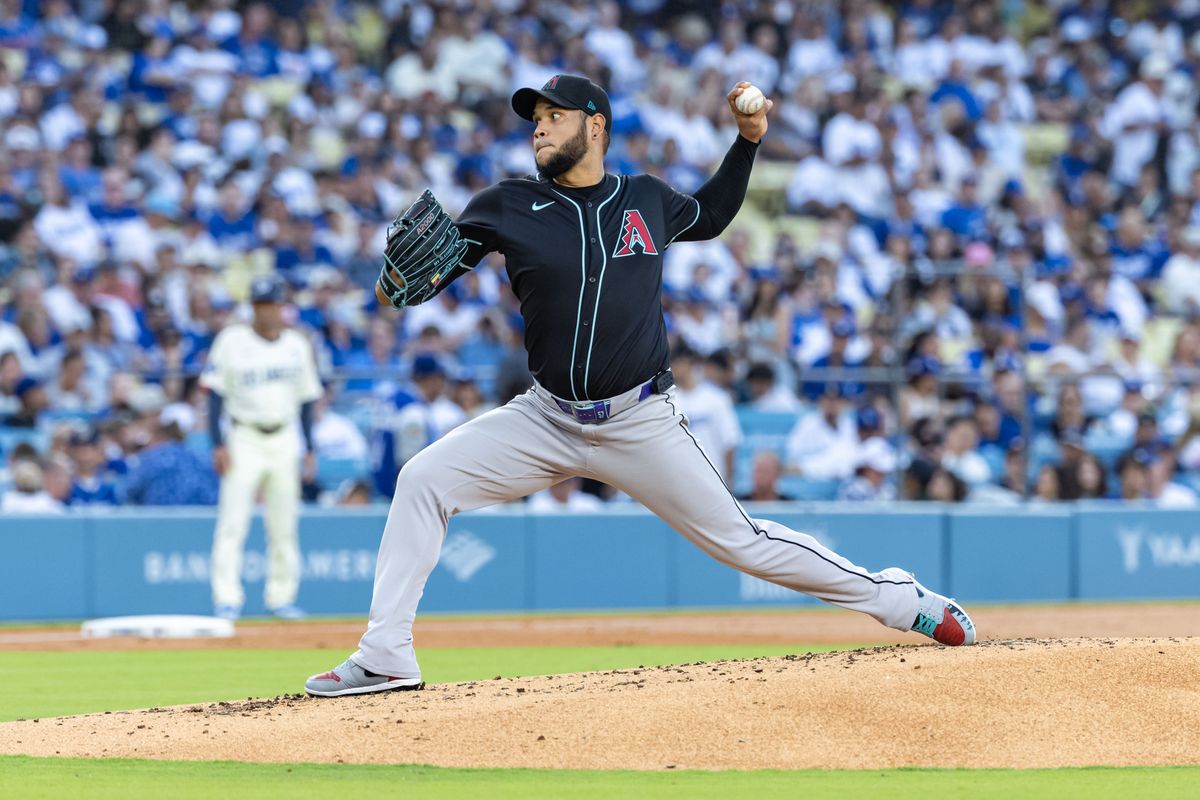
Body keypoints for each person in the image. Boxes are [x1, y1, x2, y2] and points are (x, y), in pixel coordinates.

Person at [306, 75, 975, 698]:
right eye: (534, 119)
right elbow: (415, 283)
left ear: (595, 126)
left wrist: (747, 144)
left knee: (744, 542)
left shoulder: (645, 199)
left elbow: (711, 216)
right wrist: (393, 283)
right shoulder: (507, 204)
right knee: (424, 481)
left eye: (553, 115)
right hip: (545, 419)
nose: (538, 128)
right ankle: (387, 653)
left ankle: (899, 600)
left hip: (639, 420)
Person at [201, 273, 323, 621]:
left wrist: (309, 448)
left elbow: (305, 401)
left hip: (284, 437)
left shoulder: (297, 344)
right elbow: (214, 393)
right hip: (244, 437)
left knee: (283, 524)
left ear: (282, 307)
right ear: (252, 307)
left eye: (271, 304)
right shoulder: (231, 340)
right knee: (232, 522)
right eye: (259, 304)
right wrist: (217, 442)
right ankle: (227, 598)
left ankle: (281, 597)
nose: (265, 311)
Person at [124, 404, 219, 506]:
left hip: (158, 521)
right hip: (204, 520)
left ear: (159, 433)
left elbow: (127, 493)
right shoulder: (204, 459)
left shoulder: (150, 460)